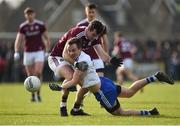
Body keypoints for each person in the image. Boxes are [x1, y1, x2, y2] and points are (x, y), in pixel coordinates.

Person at [51, 37, 174, 116]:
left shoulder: (82, 63)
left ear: (80, 49)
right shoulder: (82, 56)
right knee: (130, 92)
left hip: (103, 91)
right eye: (69, 50)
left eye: (73, 50)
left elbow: (74, 81)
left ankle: (149, 113)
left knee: (120, 113)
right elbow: (80, 86)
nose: (70, 53)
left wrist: (60, 87)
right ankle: (154, 77)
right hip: (104, 82)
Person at [48, 20, 121, 116]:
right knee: (71, 78)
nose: (94, 38)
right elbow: (65, 54)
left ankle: (76, 109)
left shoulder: (95, 37)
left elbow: (102, 55)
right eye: (93, 34)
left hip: (73, 60)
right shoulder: (77, 33)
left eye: (97, 36)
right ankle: (63, 106)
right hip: (58, 57)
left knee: (87, 84)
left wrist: (110, 60)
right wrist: (76, 64)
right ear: (89, 29)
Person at [14, 7, 51, 102]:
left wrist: (47, 50)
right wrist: (16, 51)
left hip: (39, 51)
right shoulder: (23, 26)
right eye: (27, 14)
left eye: (31, 13)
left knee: (38, 73)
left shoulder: (40, 25)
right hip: (28, 52)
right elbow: (19, 39)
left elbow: (47, 38)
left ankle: (38, 94)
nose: (29, 15)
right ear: (25, 15)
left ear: (34, 14)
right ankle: (32, 95)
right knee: (30, 75)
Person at [76, 3, 109, 76]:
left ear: (96, 12)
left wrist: (106, 55)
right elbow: (76, 42)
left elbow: (105, 41)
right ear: (86, 12)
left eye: (93, 12)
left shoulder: (102, 26)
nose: (91, 14)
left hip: (97, 56)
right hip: (84, 57)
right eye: (89, 12)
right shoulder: (80, 25)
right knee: (82, 80)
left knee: (100, 79)